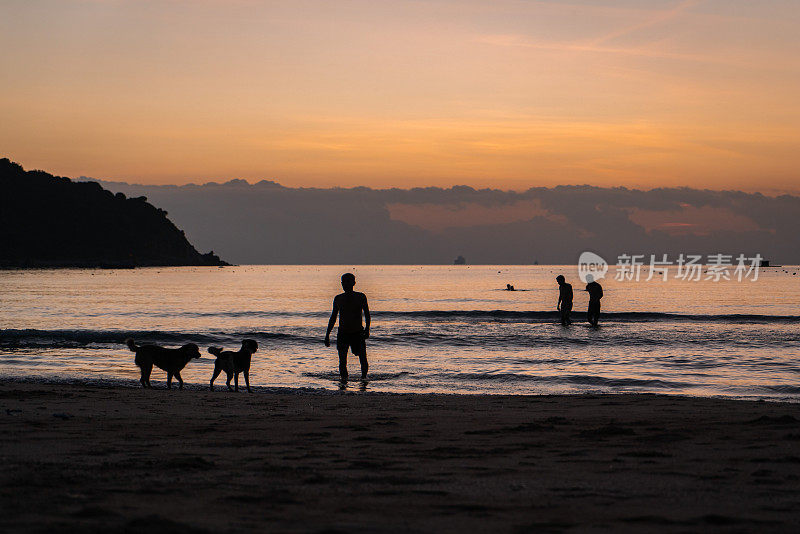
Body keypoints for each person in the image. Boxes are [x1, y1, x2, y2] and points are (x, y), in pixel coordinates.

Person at [325, 273, 370, 382]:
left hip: (357, 332)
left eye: (348, 281)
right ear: (341, 284)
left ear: (354, 283)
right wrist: (327, 335)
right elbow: (333, 317)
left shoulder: (360, 297)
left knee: (363, 358)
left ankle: (364, 379)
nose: (346, 284)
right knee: (342, 361)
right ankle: (344, 382)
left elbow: (367, 315)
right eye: (344, 282)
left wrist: (367, 329)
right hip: (343, 333)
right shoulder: (338, 298)